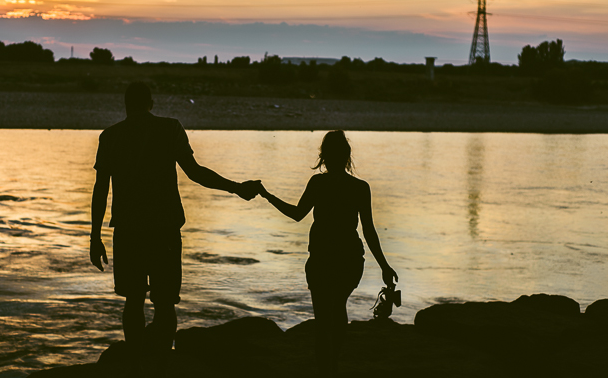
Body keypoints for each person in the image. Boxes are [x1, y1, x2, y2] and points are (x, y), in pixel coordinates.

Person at [89, 82, 260, 372]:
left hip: (128, 230)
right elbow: (195, 173)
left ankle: (134, 362)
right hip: (165, 229)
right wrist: (236, 188)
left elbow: (100, 189)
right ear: (151, 103)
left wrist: (95, 236)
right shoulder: (170, 129)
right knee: (165, 301)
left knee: (133, 299)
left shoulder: (111, 137)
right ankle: (163, 360)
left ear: (126, 105)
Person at [257, 130, 398, 377]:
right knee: (337, 308)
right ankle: (331, 364)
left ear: (324, 156)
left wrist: (268, 196)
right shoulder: (360, 187)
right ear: (347, 156)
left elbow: (297, 214)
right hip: (350, 259)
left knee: (324, 317)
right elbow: (369, 231)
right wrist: (384, 266)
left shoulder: (318, 183)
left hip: (322, 258)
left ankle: (326, 367)